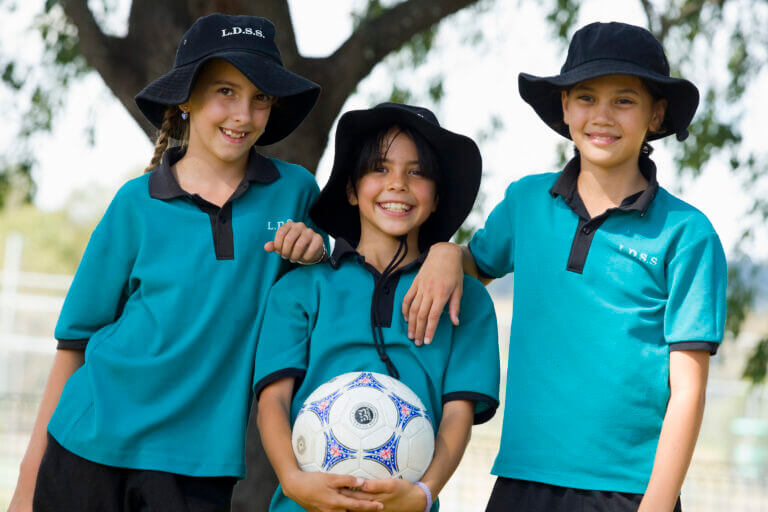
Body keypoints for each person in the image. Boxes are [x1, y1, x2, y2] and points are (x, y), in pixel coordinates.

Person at [402, 22, 727, 512]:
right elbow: (473, 267)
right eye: (585, 97)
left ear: (656, 114)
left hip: (629, 492)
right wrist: (447, 252)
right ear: (564, 108)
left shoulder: (687, 234)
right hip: (520, 479)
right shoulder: (525, 201)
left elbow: (688, 392)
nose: (602, 116)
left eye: (624, 100)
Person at [10, 13, 327, 512]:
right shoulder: (136, 204)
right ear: (186, 98)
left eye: (260, 97)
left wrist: (319, 246)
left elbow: (344, 261)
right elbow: (75, 344)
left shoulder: (295, 192)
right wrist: (28, 478)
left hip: (200, 464)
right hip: (88, 441)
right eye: (226, 91)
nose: (243, 114)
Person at [253, 102, 501, 511]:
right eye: (380, 169)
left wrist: (423, 495)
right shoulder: (298, 290)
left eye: (417, 172)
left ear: (437, 197)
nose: (398, 184)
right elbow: (273, 402)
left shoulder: (469, 301)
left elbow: (458, 416)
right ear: (351, 189)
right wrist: (294, 482)